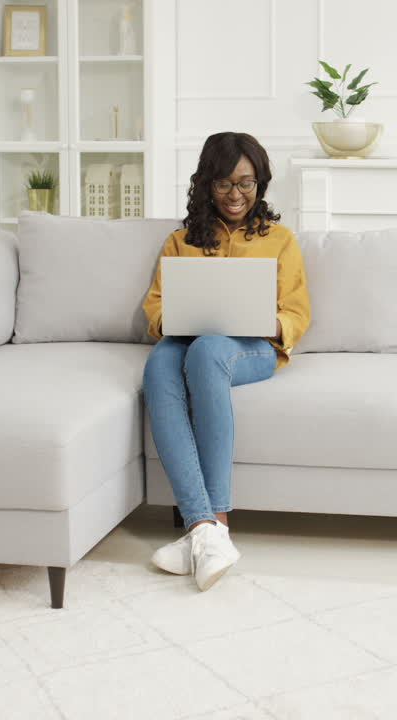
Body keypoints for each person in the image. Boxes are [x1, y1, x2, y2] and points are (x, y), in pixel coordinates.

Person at [140, 132, 310, 591]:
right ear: (205, 185)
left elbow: (296, 312)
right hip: (190, 338)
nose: (236, 195)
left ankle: (217, 520)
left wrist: (263, 321)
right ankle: (204, 532)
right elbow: (154, 307)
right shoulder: (181, 240)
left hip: (251, 347)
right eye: (224, 184)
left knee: (210, 350)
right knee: (159, 362)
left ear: (260, 185)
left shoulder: (280, 239)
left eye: (246, 183)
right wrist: (172, 320)